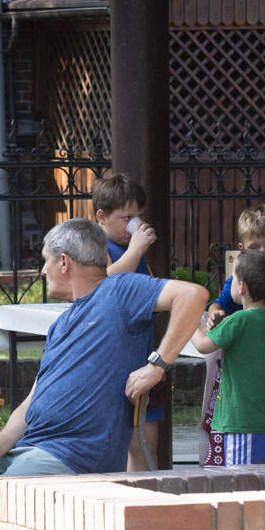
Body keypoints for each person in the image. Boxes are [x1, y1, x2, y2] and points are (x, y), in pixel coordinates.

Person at [0, 218, 207, 530]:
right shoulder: (62, 324)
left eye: (45, 260)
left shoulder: (118, 290)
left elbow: (193, 295)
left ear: (64, 262)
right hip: (30, 450)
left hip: (72, 457)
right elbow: (35, 397)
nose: (43, 269)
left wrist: (158, 364)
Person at [204, 205, 265, 451]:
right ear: (241, 249)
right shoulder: (237, 281)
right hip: (244, 382)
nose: (262, 252)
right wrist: (215, 315)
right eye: (254, 247)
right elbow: (218, 304)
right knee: (241, 437)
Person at [94, 172, 165, 471]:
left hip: (141, 356)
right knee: (112, 437)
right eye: (126, 217)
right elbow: (102, 282)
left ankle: (146, 497)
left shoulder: (134, 251)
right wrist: (135, 250)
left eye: (137, 216)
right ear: (102, 217)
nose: (133, 224)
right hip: (111, 360)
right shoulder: (97, 245)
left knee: (146, 439)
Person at [191, 249, 265, 465]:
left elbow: (203, 346)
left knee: (241, 483)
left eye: (232, 278)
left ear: (241, 287)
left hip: (241, 420)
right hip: (262, 418)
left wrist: (190, 323)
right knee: (257, 482)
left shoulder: (239, 320)